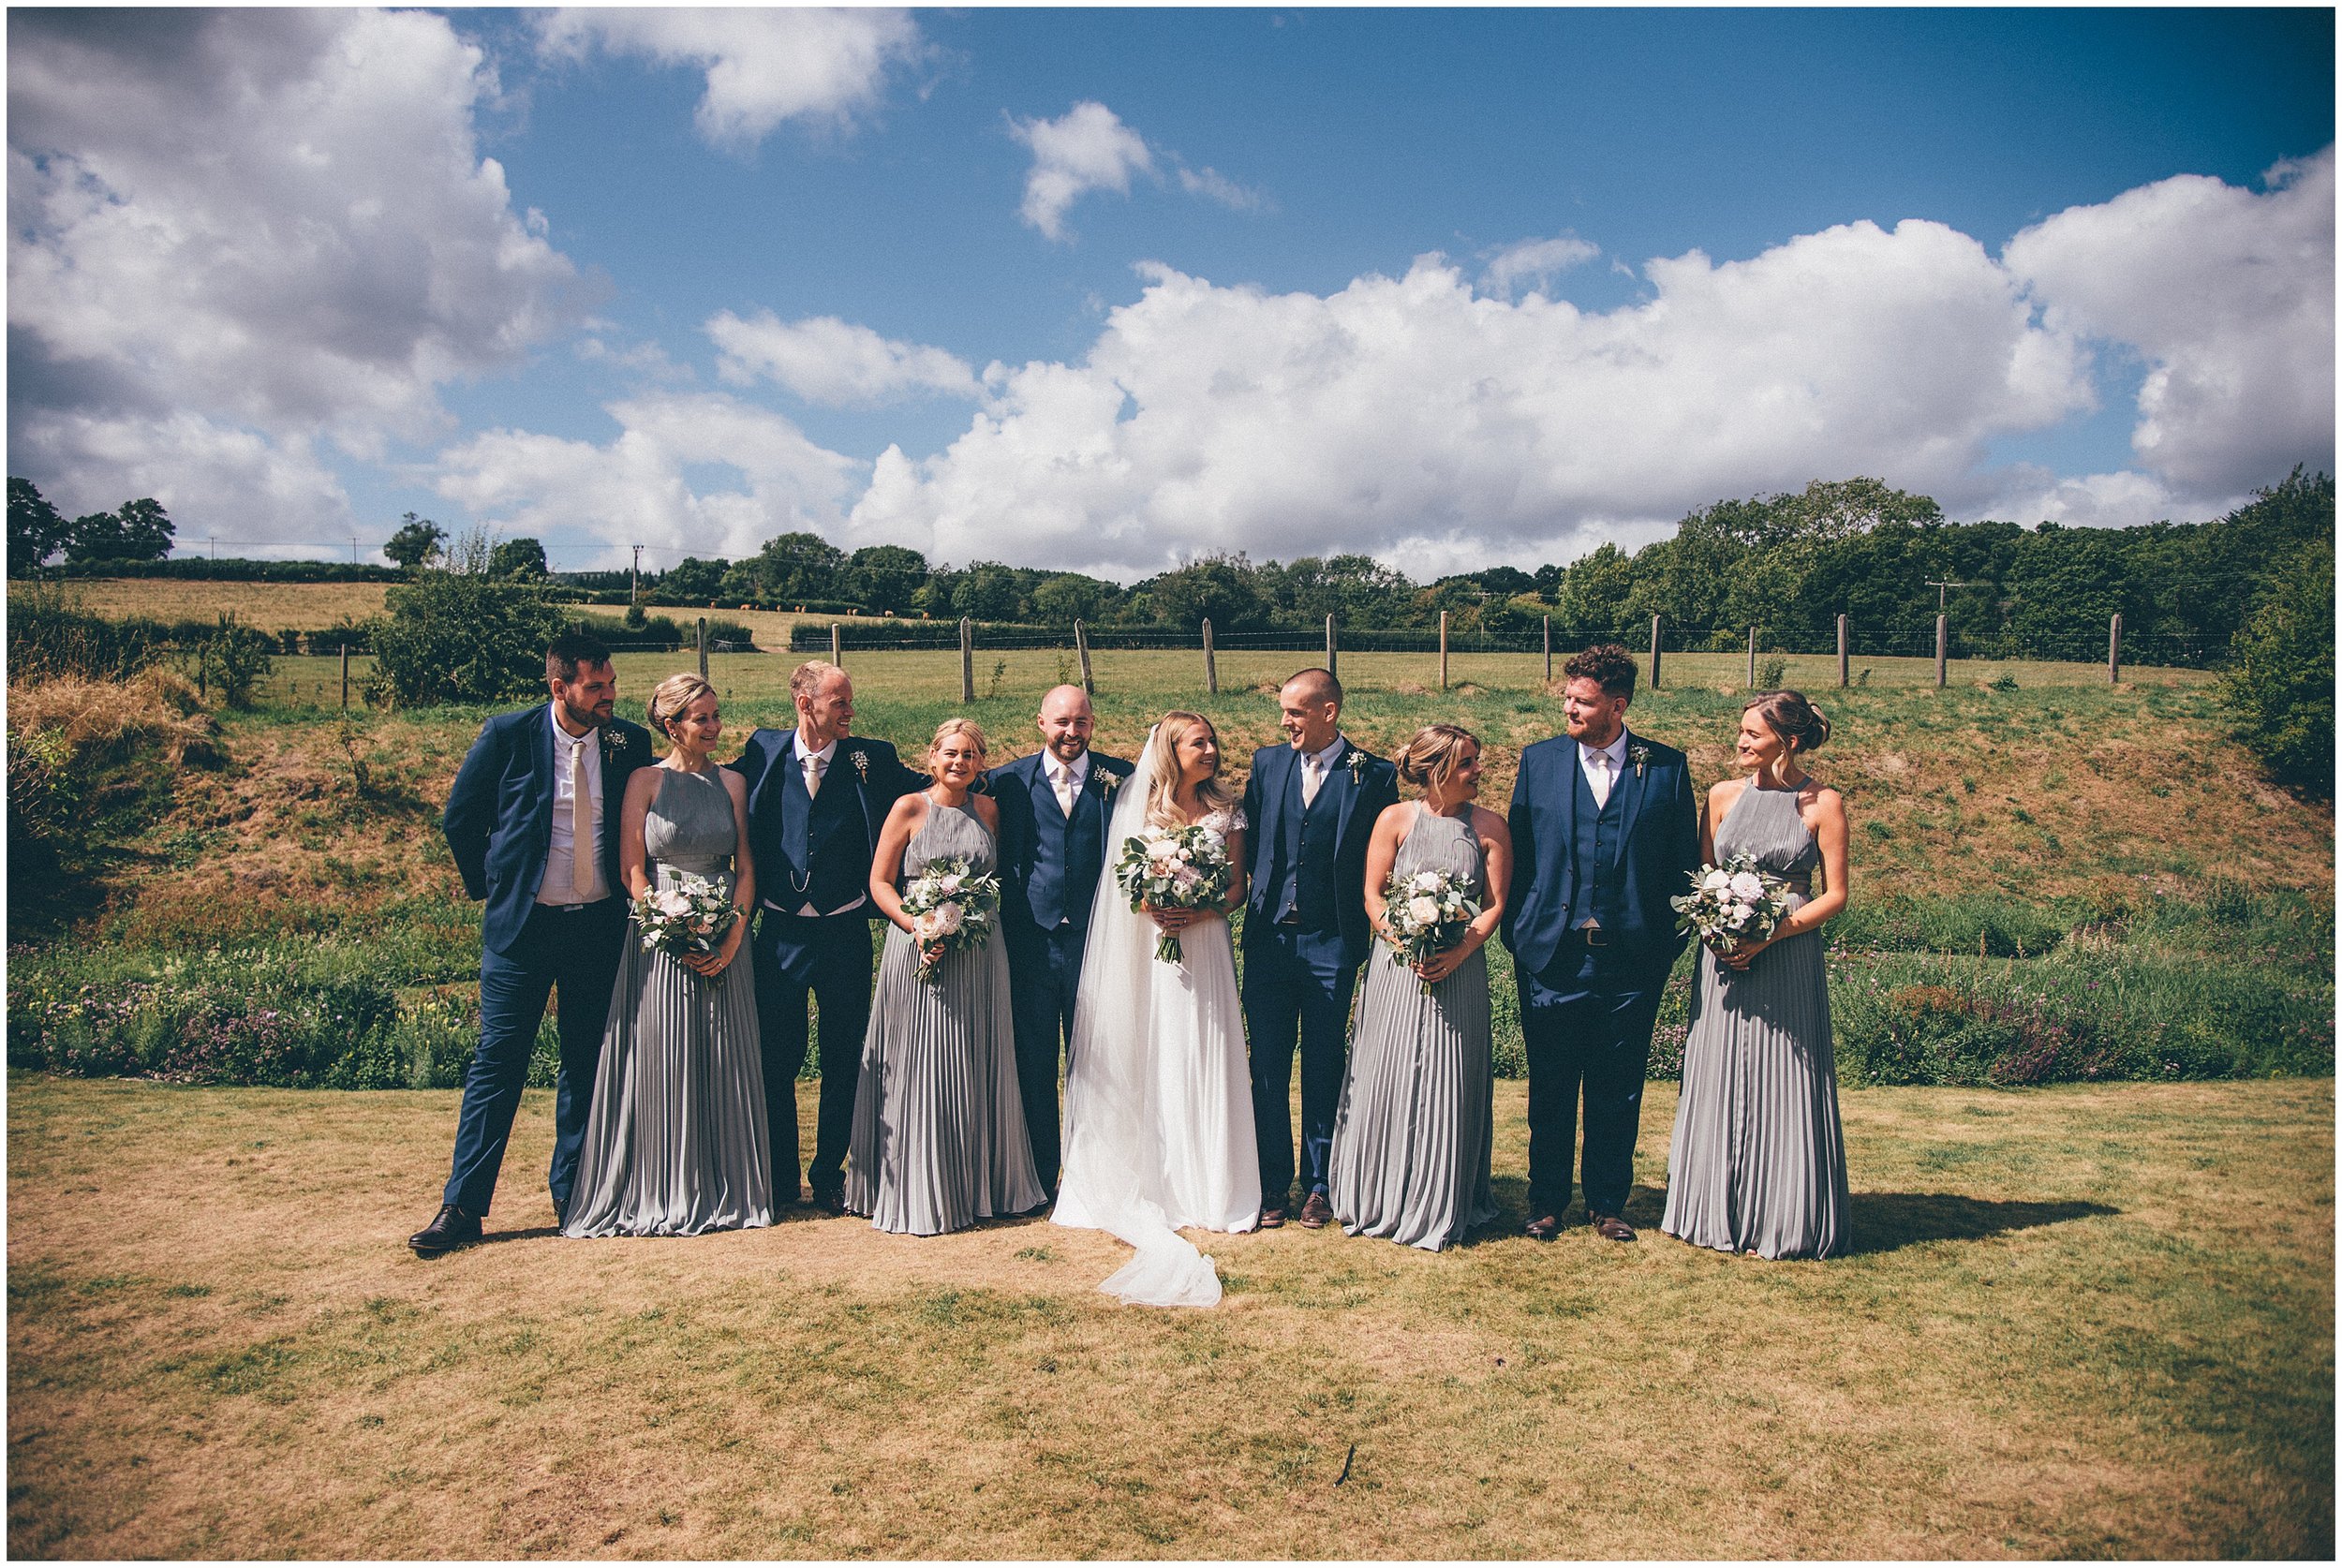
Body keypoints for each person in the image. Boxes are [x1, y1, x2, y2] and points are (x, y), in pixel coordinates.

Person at [411, 633, 654, 1256]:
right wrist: (495, 885)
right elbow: (460, 818)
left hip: (597, 928)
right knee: (498, 1062)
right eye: (595, 686)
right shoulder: (507, 735)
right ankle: (462, 1206)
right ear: (559, 687)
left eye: (611, 684)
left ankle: (574, 1198)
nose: (609, 696)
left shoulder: (629, 742)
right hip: (523, 930)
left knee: (585, 1063)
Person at [1054, 712, 1261, 1307]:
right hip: (1152, 945)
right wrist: (1156, 902)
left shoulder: (1229, 810)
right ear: (1171, 751)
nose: (1213, 750)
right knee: (1156, 1048)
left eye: (1215, 740)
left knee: (1206, 1048)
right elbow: (1123, 887)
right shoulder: (1140, 809)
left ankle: (1212, 1185)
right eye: (1200, 743)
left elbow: (1236, 890)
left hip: (1206, 942)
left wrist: (1197, 911)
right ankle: (1159, 1181)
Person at [1503, 643, 1699, 1243]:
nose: (1570, 708)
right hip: (1551, 957)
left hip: (1631, 959)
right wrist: (1521, 935)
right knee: (1551, 1088)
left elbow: (1680, 867)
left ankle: (1609, 1202)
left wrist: (1663, 944)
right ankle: (1545, 1202)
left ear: (1618, 705)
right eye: (1567, 697)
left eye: (1582, 701)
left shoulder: (1665, 768)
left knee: (1619, 1087)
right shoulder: (1539, 762)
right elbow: (1521, 857)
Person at [563, 674, 771, 1237]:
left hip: (725, 932)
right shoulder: (643, 780)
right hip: (660, 938)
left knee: (724, 1058)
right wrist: (669, 923)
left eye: (716, 715)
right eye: (701, 718)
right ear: (671, 724)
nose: (714, 727)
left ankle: (728, 1181)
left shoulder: (733, 783)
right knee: (666, 1054)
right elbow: (632, 868)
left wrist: (731, 937)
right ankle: (662, 1181)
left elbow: (746, 866)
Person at [1662, 691, 1852, 1259]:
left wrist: (1772, 932)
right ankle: (1711, 1209)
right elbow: (1705, 881)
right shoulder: (1721, 796)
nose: (1740, 742)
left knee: (1787, 1071)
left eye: (1753, 734)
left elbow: (1835, 896)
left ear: (1788, 742)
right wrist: (1717, 933)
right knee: (1718, 1070)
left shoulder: (1823, 803)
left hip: (1787, 955)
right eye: (1741, 731)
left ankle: (1785, 1215)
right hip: (1722, 959)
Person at [729, 661, 923, 1214]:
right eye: (840, 702)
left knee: (844, 1057)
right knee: (776, 1057)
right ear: (805, 703)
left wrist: (985, 778)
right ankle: (781, 1176)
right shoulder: (763, 751)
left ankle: (831, 1171)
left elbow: (930, 787)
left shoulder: (872, 758)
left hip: (844, 933)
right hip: (779, 932)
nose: (850, 712)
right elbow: (709, 778)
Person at [845, 718, 1045, 1235]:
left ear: (981, 764)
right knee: (920, 1058)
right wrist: (917, 926)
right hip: (917, 949)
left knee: (976, 1055)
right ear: (932, 757)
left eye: (972, 755)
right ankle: (914, 1181)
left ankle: (979, 1184)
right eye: (951, 753)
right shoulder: (908, 809)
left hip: (979, 952)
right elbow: (879, 881)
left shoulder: (990, 812)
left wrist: (967, 919)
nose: (960, 762)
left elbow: (997, 880)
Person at [1328, 724, 1513, 1251]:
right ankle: (1380, 1194)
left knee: (1450, 1074)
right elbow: (1372, 892)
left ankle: (1445, 1195)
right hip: (1396, 969)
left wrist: (1458, 951)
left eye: (1477, 760)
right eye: (1467, 764)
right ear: (1436, 770)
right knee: (1386, 1071)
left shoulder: (1490, 827)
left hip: (1460, 970)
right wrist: (1402, 941)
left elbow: (1496, 902)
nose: (1479, 771)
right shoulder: (1394, 818)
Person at [1239, 669, 1399, 1229]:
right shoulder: (1267, 764)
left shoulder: (1374, 775)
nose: (1285, 722)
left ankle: (1322, 1183)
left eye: (1296, 712)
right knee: (1267, 1066)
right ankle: (1269, 1184)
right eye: (1284, 711)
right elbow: (1250, 840)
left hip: (1333, 941)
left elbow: (1384, 857)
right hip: (1269, 940)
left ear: (1329, 713)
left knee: (1327, 1062)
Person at [989, 685, 1135, 1200]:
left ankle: (1094, 1173)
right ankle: (1039, 1175)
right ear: (1041, 723)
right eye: (1061, 723)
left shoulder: (1121, 779)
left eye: (1081, 722)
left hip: (1099, 943)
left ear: (1093, 724)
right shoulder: (1006, 781)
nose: (1071, 733)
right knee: (1032, 1059)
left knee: (1097, 1060)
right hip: (1030, 943)